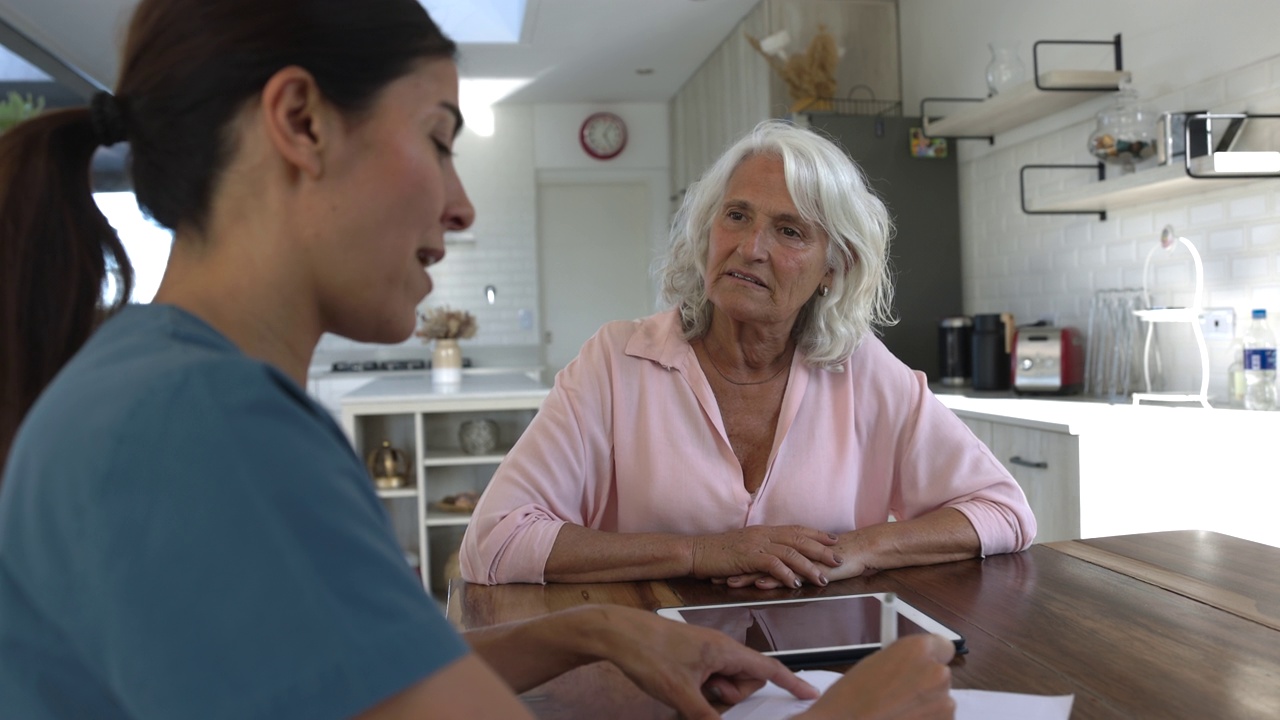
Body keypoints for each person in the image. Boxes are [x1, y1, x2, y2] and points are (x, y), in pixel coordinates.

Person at [0, 1, 959, 718]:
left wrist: (590, 627)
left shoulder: (163, 390)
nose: (461, 206)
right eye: (437, 139)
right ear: (300, 121)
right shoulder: (206, 434)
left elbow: (359, 686)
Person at [460, 120, 1037, 589]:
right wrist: (700, 554)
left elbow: (1005, 512)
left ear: (831, 271)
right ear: (706, 232)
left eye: (789, 231)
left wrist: (860, 550)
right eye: (736, 216)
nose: (750, 248)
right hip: (651, 662)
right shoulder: (617, 362)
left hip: (821, 663)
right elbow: (496, 540)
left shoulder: (861, 370)